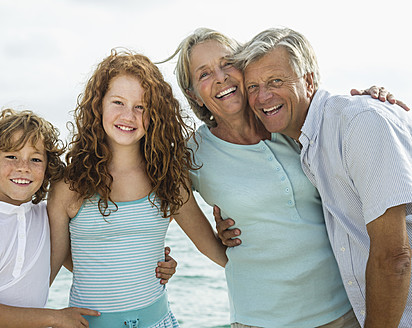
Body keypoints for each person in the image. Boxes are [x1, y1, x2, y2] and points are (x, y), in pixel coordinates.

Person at [166, 27, 406, 328]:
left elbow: (331, 116)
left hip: (344, 310)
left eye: (227, 63)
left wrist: (372, 101)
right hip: (260, 318)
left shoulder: (289, 124)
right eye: (204, 74)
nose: (220, 77)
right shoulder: (191, 155)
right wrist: (226, 252)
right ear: (193, 95)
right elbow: (150, 206)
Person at [48, 50, 227, 328]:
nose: (128, 115)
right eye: (118, 102)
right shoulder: (70, 185)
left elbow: (212, 249)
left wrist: (268, 275)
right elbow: (48, 268)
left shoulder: (167, 177)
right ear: (99, 106)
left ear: (155, 114)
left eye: (141, 106)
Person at [0, 108, 101, 327]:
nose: (23, 167)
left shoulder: (49, 217)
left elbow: (92, 262)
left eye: (35, 159)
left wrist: (158, 267)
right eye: (11, 156)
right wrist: (56, 317)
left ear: (47, 168)